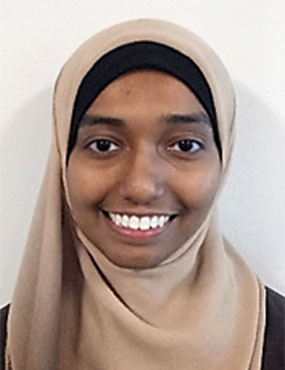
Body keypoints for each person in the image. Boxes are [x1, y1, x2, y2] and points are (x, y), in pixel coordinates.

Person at [0, 19, 284, 370]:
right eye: (103, 145)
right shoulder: (13, 344)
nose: (141, 186)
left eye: (184, 145)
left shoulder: (278, 340)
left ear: (222, 159)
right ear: (63, 159)